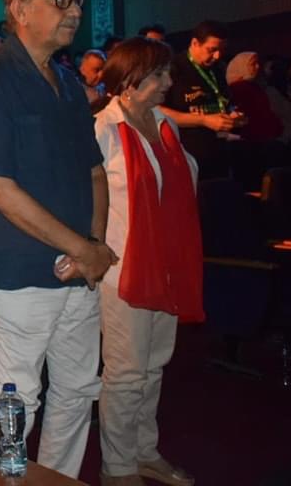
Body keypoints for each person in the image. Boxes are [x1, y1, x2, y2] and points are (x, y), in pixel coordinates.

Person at [0, 0, 117, 479]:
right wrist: (83, 248)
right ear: (20, 10)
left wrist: (93, 245)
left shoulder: (68, 83)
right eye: (60, 0)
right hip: (20, 271)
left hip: (78, 268)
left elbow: (94, 172)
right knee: (17, 399)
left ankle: (58, 479)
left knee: (77, 390)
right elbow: (0, 191)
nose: (74, 11)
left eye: (76, 0)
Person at [94, 37, 202, 486]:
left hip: (167, 263)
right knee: (125, 373)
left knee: (153, 366)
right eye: (158, 74)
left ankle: (143, 452)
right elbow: (87, 201)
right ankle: (117, 467)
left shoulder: (165, 124)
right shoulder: (102, 130)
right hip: (124, 268)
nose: (169, 82)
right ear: (129, 80)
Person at [159, 20, 242, 179]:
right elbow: (158, 111)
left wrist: (233, 115)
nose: (217, 56)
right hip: (186, 156)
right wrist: (203, 120)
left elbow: (224, 102)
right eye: (212, 50)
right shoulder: (173, 68)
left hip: (219, 153)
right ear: (195, 43)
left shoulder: (218, 69)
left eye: (221, 50)